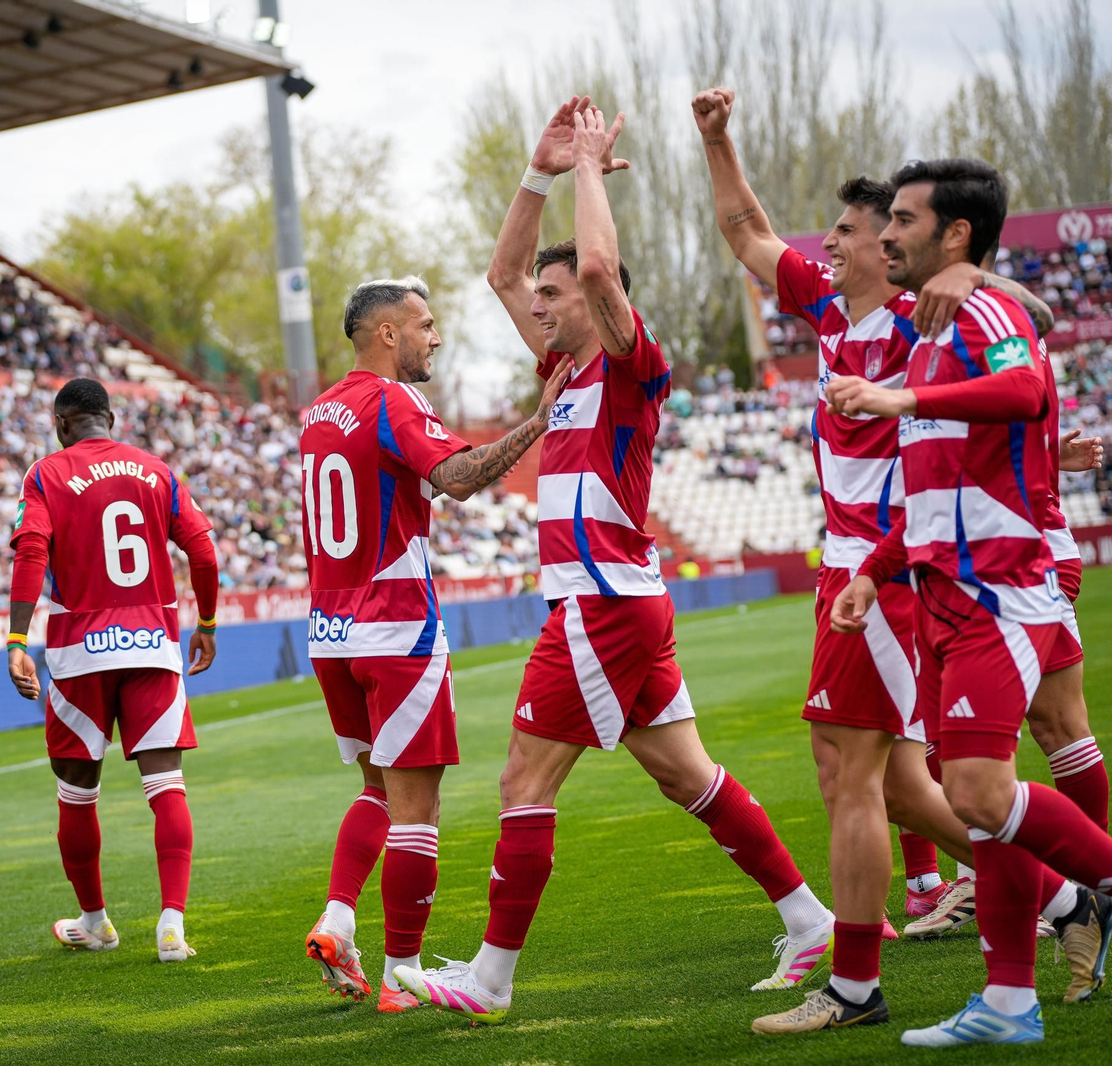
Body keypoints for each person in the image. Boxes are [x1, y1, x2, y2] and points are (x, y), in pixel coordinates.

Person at [395, 100, 832, 1026]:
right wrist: (540, 170)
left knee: (524, 780)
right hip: (619, 601)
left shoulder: (630, 363)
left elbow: (594, 265)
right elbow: (503, 269)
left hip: (597, 603)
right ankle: (809, 920)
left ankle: (488, 983)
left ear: (597, 306)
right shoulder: (565, 369)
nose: (537, 305)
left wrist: (592, 165)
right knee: (687, 775)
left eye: (554, 301)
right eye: (543, 301)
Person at [691, 86, 1080, 1034]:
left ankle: (861, 984)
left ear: (892, 246)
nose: (829, 242)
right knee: (893, 783)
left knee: (864, 778)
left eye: (855, 228)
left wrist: (971, 279)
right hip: (853, 569)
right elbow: (745, 229)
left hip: (896, 567)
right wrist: (717, 139)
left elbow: (1023, 320)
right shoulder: (828, 309)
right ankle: (1064, 900)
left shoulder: (925, 317)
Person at [828, 158, 1112, 1047]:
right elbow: (929, 483)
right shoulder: (929, 323)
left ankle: (1095, 893)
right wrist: (876, 567)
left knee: (983, 790)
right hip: (944, 594)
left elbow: (1027, 387)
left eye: (904, 222)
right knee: (981, 805)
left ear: (955, 234)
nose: (884, 236)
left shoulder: (976, 310)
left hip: (1000, 592)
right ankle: (1006, 1003)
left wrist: (902, 393)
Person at [301, 276, 572, 1012]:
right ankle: (401, 976)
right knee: (417, 807)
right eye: (425, 324)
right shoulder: (394, 401)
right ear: (387, 333)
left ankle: (338, 918)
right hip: (397, 627)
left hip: (330, 631)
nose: (436, 336)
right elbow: (454, 478)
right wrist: (539, 421)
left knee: (376, 791)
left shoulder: (318, 413)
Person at [4, 378, 219, 963]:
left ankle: (96, 922)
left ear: (62, 423)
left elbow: (31, 552)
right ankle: (171, 926)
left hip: (79, 654)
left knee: (76, 795)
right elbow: (203, 550)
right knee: (165, 787)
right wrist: (208, 623)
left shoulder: (45, 473)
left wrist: (18, 638)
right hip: (150, 644)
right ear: (111, 419)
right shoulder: (158, 471)